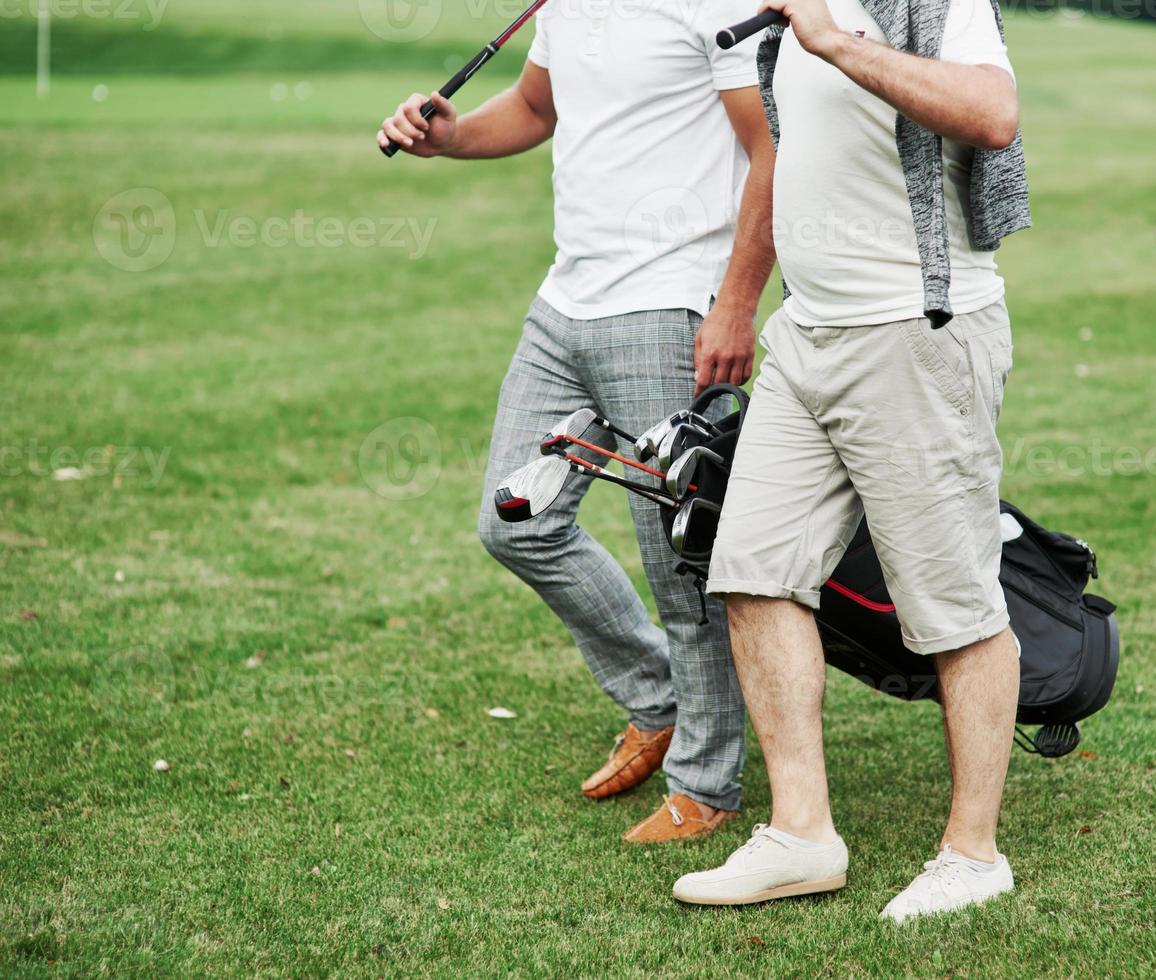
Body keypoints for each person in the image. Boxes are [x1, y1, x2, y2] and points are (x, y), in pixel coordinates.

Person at [377, 0, 777, 842]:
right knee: (514, 519)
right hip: (566, 304)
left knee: (682, 568)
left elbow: (772, 149)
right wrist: (448, 135)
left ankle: (706, 785)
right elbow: (534, 109)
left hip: (668, 306)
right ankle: (657, 697)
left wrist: (736, 302)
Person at [671, 0, 1031, 919]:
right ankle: (802, 835)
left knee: (953, 603)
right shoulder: (781, 18)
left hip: (917, 332)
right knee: (752, 569)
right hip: (810, 335)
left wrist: (834, 40)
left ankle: (974, 855)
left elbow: (993, 111)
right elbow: (789, 159)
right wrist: (748, 304)